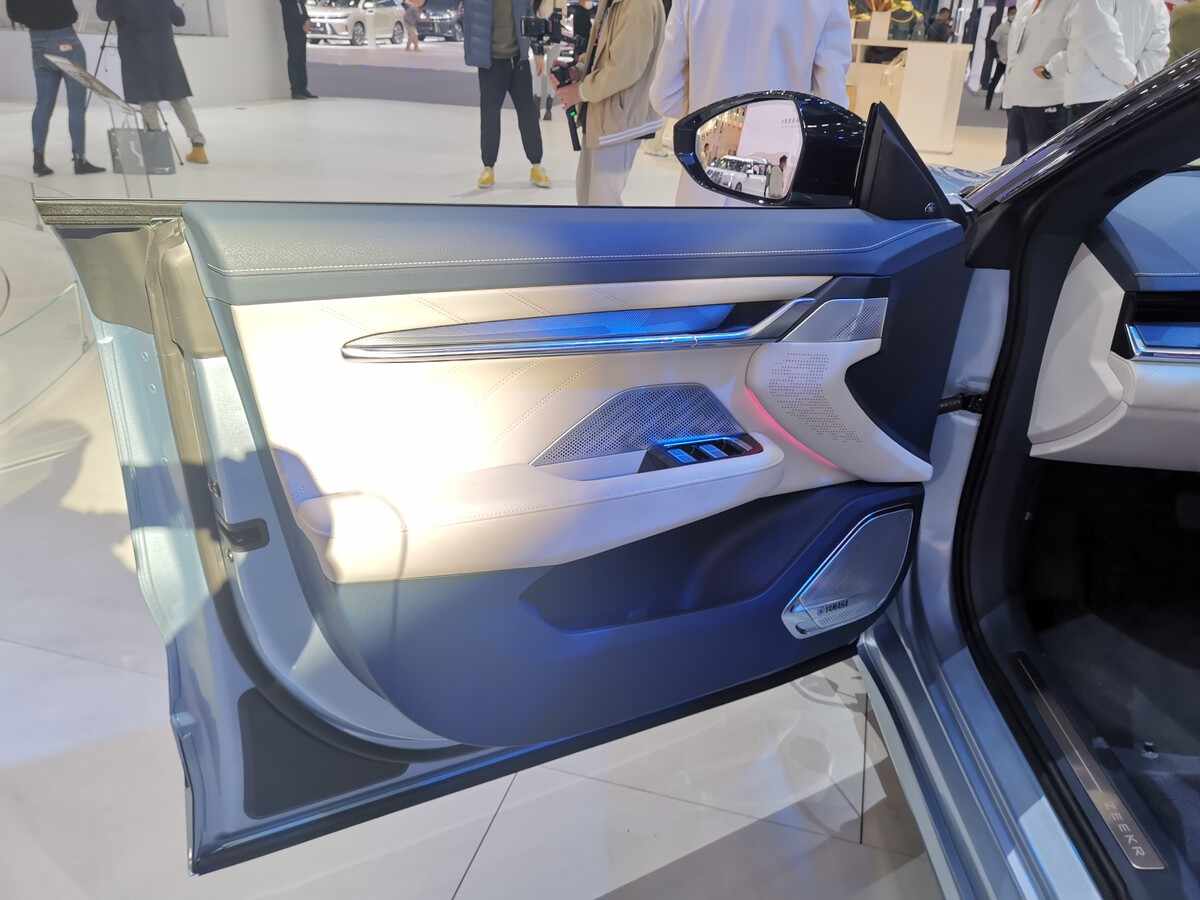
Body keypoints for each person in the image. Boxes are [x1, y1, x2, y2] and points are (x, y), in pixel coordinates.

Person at [649, 0, 851, 206]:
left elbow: (665, 97)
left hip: (702, 184)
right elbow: (832, 111)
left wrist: (709, 112)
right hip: (774, 185)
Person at [555, 0, 666, 205]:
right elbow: (602, 51)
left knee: (603, 202)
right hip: (600, 116)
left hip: (620, 120)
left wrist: (580, 91)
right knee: (587, 195)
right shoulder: (612, 3)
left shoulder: (638, 5)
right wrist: (578, 70)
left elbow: (625, 69)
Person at [96, 0, 208, 165]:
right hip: (165, 53)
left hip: (137, 52)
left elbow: (104, 14)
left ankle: (157, 153)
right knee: (179, 98)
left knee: (147, 101)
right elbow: (179, 20)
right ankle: (198, 147)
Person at [5, 0, 106, 177]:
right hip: (66, 40)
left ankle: (38, 160)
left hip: (37, 42)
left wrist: (35, 20)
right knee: (76, 106)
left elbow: (13, 13)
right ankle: (80, 160)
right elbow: (71, 13)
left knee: (43, 104)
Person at [463, 0, 552, 190]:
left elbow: (529, 16)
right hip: (491, 64)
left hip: (518, 62)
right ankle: (488, 167)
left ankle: (536, 165)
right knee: (490, 116)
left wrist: (537, 50)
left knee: (528, 115)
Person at [1041, 0, 1169, 123]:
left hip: (1094, 94)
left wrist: (1128, 77)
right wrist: (1137, 80)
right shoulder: (1158, 4)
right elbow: (1158, 50)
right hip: (1130, 95)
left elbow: (1099, 37)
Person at [1001, 0, 1069, 164]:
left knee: (1040, 164)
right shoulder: (1026, 6)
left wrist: (1051, 68)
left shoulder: (1072, 4)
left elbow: (1079, 43)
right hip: (1018, 97)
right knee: (1012, 163)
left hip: (1047, 97)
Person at [280, 0, 318, 100]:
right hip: (293, 29)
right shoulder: (287, 2)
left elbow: (302, 9)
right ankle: (295, 90)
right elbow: (291, 13)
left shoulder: (299, 2)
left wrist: (307, 20)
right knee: (294, 58)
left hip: (301, 30)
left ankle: (302, 88)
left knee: (301, 59)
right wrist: (302, 23)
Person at [985, 5, 1016, 110]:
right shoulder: (1001, 28)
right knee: (994, 82)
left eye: (1015, 13)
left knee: (1008, 84)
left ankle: (1003, 105)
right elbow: (992, 43)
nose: (1014, 15)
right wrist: (997, 57)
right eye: (1012, 13)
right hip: (1002, 60)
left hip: (1012, 61)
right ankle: (987, 104)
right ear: (1008, 14)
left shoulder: (1017, 28)